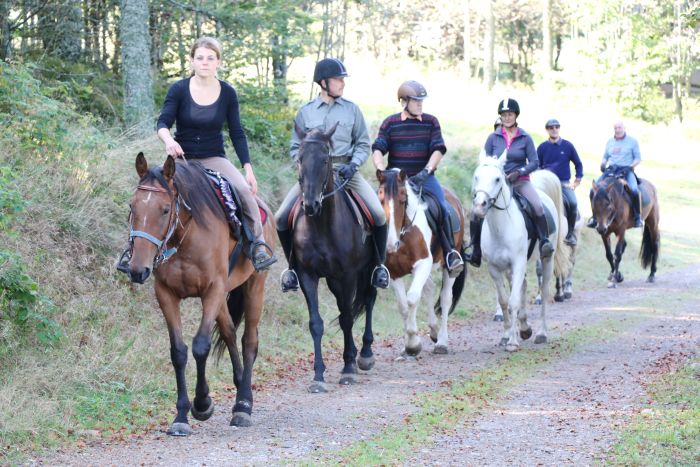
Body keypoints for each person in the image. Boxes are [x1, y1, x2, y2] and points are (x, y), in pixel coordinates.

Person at [117, 37, 276, 273]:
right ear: (192, 61)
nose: (205, 62)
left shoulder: (228, 93)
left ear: (218, 63)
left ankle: (258, 246)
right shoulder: (179, 89)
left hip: (214, 158)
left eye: (210, 58)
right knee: (148, 196)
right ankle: (131, 251)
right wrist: (169, 140)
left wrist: (248, 169)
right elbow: (162, 123)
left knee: (243, 191)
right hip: (182, 161)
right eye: (200, 58)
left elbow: (237, 133)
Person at [275, 58, 390, 292]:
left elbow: (362, 143)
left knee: (379, 214)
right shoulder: (306, 112)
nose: (342, 84)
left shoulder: (352, 110)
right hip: (314, 176)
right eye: (339, 79)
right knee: (280, 217)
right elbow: (296, 146)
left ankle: (379, 266)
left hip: (346, 171)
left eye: (342, 80)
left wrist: (354, 164)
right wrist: (306, 166)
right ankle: (292, 270)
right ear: (324, 82)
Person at [371, 80, 464, 277]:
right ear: (404, 102)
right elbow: (378, 147)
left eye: (422, 101)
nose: (420, 104)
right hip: (396, 181)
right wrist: (380, 169)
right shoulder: (390, 123)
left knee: (441, 206)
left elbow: (439, 149)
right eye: (416, 101)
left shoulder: (431, 121)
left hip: (424, 177)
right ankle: (373, 257)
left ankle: (450, 253)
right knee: (373, 210)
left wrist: (427, 170)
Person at [464, 98, 554, 267]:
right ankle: (475, 249)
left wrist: (520, 172)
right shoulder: (493, 137)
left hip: (520, 181)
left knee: (538, 206)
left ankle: (544, 242)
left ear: (515, 115)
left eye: (510, 114)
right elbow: (485, 161)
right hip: (496, 185)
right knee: (476, 211)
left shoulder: (525, 137)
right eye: (504, 115)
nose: (506, 118)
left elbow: (534, 162)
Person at [587, 120, 643, 228]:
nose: (617, 130)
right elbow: (605, 156)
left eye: (619, 128)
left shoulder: (632, 141)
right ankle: (594, 218)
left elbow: (638, 158)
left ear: (624, 128)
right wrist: (603, 163)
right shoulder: (610, 142)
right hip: (611, 170)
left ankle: (637, 217)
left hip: (627, 170)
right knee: (592, 190)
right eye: (615, 128)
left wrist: (630, 166)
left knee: (635, 191)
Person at [537, 118, 584, 245]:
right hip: (546, 183)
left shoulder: (568, 146)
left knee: (573, 203)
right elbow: (536, 165)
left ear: (559, 128)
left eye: (556, 127)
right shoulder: (542, 147)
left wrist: (577, 180)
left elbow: (578, 164)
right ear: (547, 130)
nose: (554, 130)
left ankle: (570, 234)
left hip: (563, 183)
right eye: (551, 128)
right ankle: (539, 234)